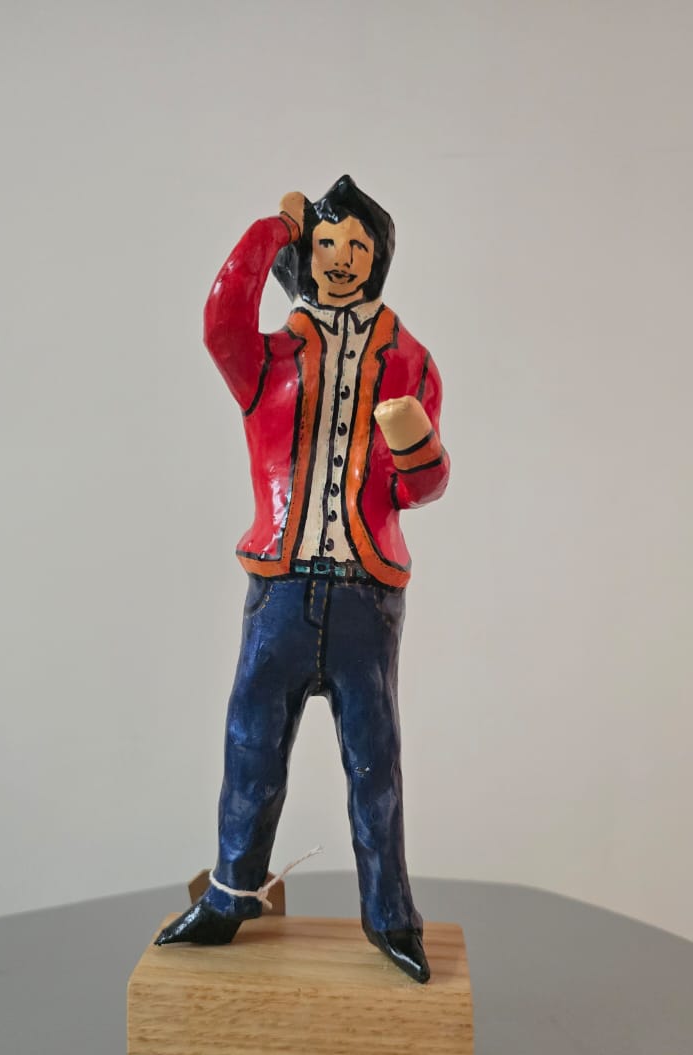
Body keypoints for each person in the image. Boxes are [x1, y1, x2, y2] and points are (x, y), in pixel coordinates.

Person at [155, 176, 449, 982]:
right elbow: (221, 318)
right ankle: (229, 897)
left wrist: (415, 446)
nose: (342, 258)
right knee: (251, 748)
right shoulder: (268, 359)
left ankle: (390, 916)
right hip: (282, 589)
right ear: (302, 255)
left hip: (363, 593)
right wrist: (272, 229)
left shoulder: (411, 360)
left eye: (358, 244)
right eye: (325, 243)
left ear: (378, 257)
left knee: (374, 763)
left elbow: (422, 488)